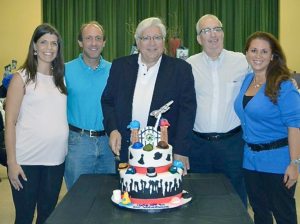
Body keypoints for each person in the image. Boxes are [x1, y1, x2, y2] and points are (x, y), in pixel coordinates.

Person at [101, 17, 196, 174]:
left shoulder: (181, 70)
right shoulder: (120, 66)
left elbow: (188, 113)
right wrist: (113, 130)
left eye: (157, 38)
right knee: (129, 196)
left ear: (163, 42)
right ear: (137, 42)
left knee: (164, 196)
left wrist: (181, 150)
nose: (152, 43)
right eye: (146, 38)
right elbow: (108, 101)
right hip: (128, 152)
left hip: (166, 153)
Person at [234, 31, 300, 224]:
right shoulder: (247, 80)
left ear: (272, 56)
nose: (258, 56)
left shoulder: (284, 84)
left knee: (283, 214)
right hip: (250, 160)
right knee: (259, 212)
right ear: (246, 53)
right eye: (253, 50)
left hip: (277, 161)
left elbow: (295, 126)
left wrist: (295, 164)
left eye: (264, 51)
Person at [5, 24, 68, 224]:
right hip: (27, 161)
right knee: (24, 217)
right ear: (34, 46)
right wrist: (12, 163)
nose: (49, 47)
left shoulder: (61, 79)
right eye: (43, 42)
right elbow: (10, 122)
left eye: (53, 43)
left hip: (56, 160)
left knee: (48, 215)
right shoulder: (21, 78)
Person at [186, 14, 249, 206]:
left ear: (223, 33)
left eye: (217, 29)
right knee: (200, 200)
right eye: (206, 31)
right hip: (198, 146)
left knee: (236, 199)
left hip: (232, 145)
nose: (213, 35)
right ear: (198, 38)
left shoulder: (242, 62)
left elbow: (266, 77)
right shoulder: (188, 65)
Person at [64, 21, 115, 190]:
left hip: (108, 143)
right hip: (78, 143)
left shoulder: (115, 70)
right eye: (88, 38)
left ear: (104, 42)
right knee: (77, 198)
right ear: (80, 42)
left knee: (106, 197)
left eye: (98, 38)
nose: (94, 43)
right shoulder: (65, 70)